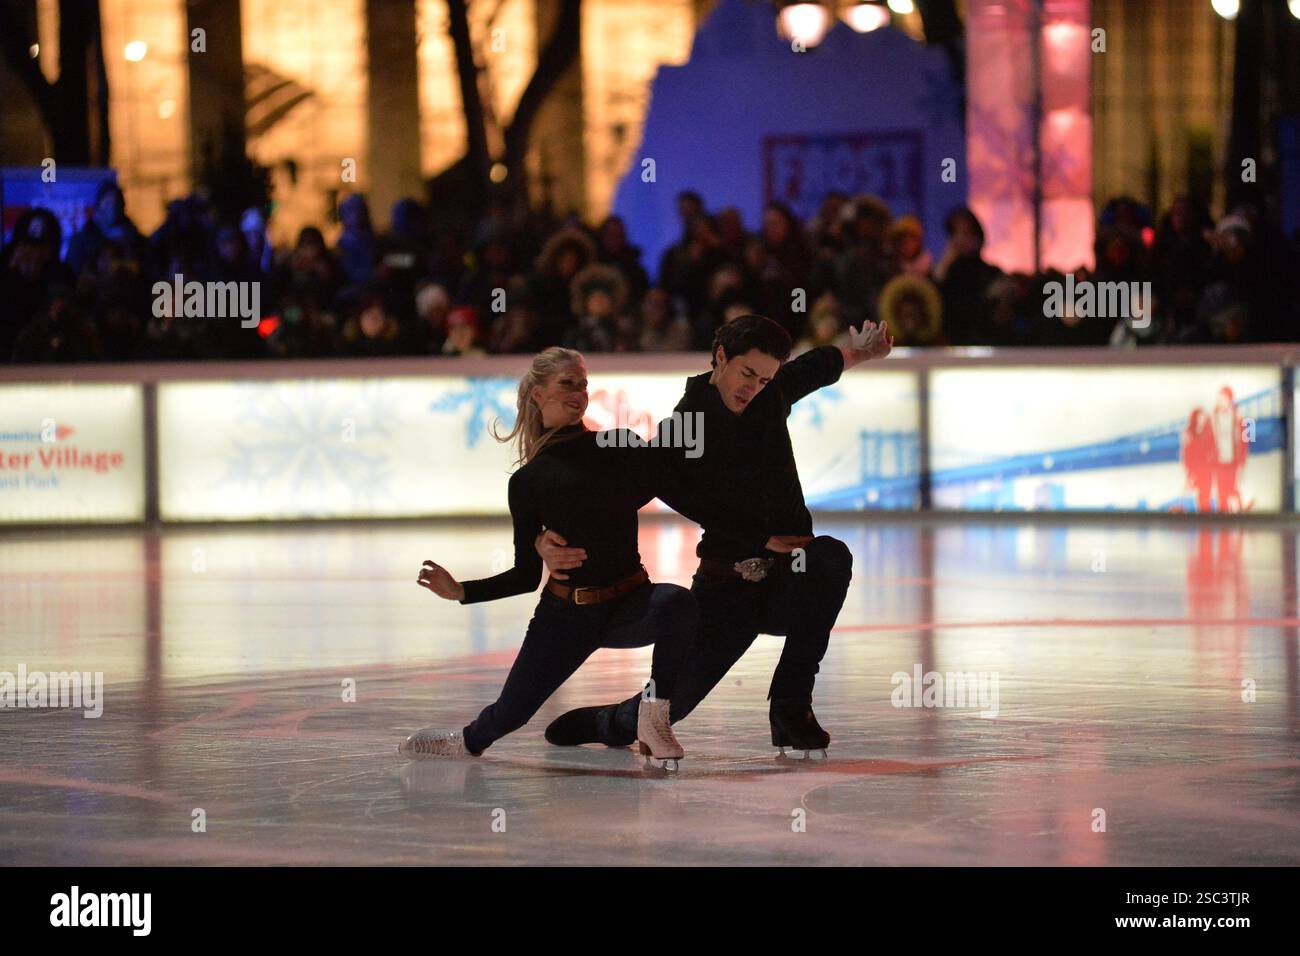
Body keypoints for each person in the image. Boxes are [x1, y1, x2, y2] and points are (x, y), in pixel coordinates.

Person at [541, 314, 892, 757]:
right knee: (669, 707)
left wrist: (862, 351)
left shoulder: (771, 393)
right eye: (747, 374)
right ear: (721, 357)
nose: (754, 387)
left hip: (789, 581)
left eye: (765, 379)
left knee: (829, 557)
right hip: (728, 590)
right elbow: (635, 489)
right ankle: (605, 721)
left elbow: (817, 365)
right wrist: (550, 529)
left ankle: (790, 705)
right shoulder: (687, 425)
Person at [401, 348, 698, 767]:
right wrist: (461, 591)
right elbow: (526, 576)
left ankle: (654, 715)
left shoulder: (617, 445)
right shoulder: (527, 482)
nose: (578, 393)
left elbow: (670, 470)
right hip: (568, 616)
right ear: (538, 395)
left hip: (630, 602)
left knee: (677, 603)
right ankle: (458, 741)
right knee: (508, 716)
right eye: (567, 384)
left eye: (583, 385)